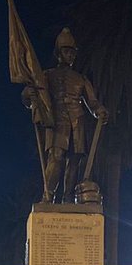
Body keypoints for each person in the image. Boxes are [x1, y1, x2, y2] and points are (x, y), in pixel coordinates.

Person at [24, 28, 107, 202]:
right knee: (55, 158)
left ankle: (68, 198)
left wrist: (99, 110)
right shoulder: (46, 75)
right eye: (66, 51)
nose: (70, 55)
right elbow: (28, 96)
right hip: (55, 121)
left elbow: (92, 102)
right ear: (58, 54)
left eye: (72, 52)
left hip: (77, 121)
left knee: (74, 161)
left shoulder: (80, 79)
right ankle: (48, 196)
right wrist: (29, 93)